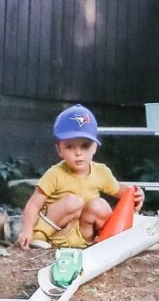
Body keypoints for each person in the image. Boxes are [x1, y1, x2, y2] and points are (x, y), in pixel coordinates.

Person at [17, 104, 145, 250]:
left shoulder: (101, 172)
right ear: (59, 150)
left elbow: (123, 192)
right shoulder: (55, 174)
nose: (78, 153)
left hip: (83, 235)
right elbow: (34, 204)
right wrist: (27, 230)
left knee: (100, 205)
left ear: (95, 147)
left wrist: (136, 194)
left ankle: (106, 240)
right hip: (55, 232)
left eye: (84, 146)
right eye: (70, 147)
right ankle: (39, 236)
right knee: (73, 201)